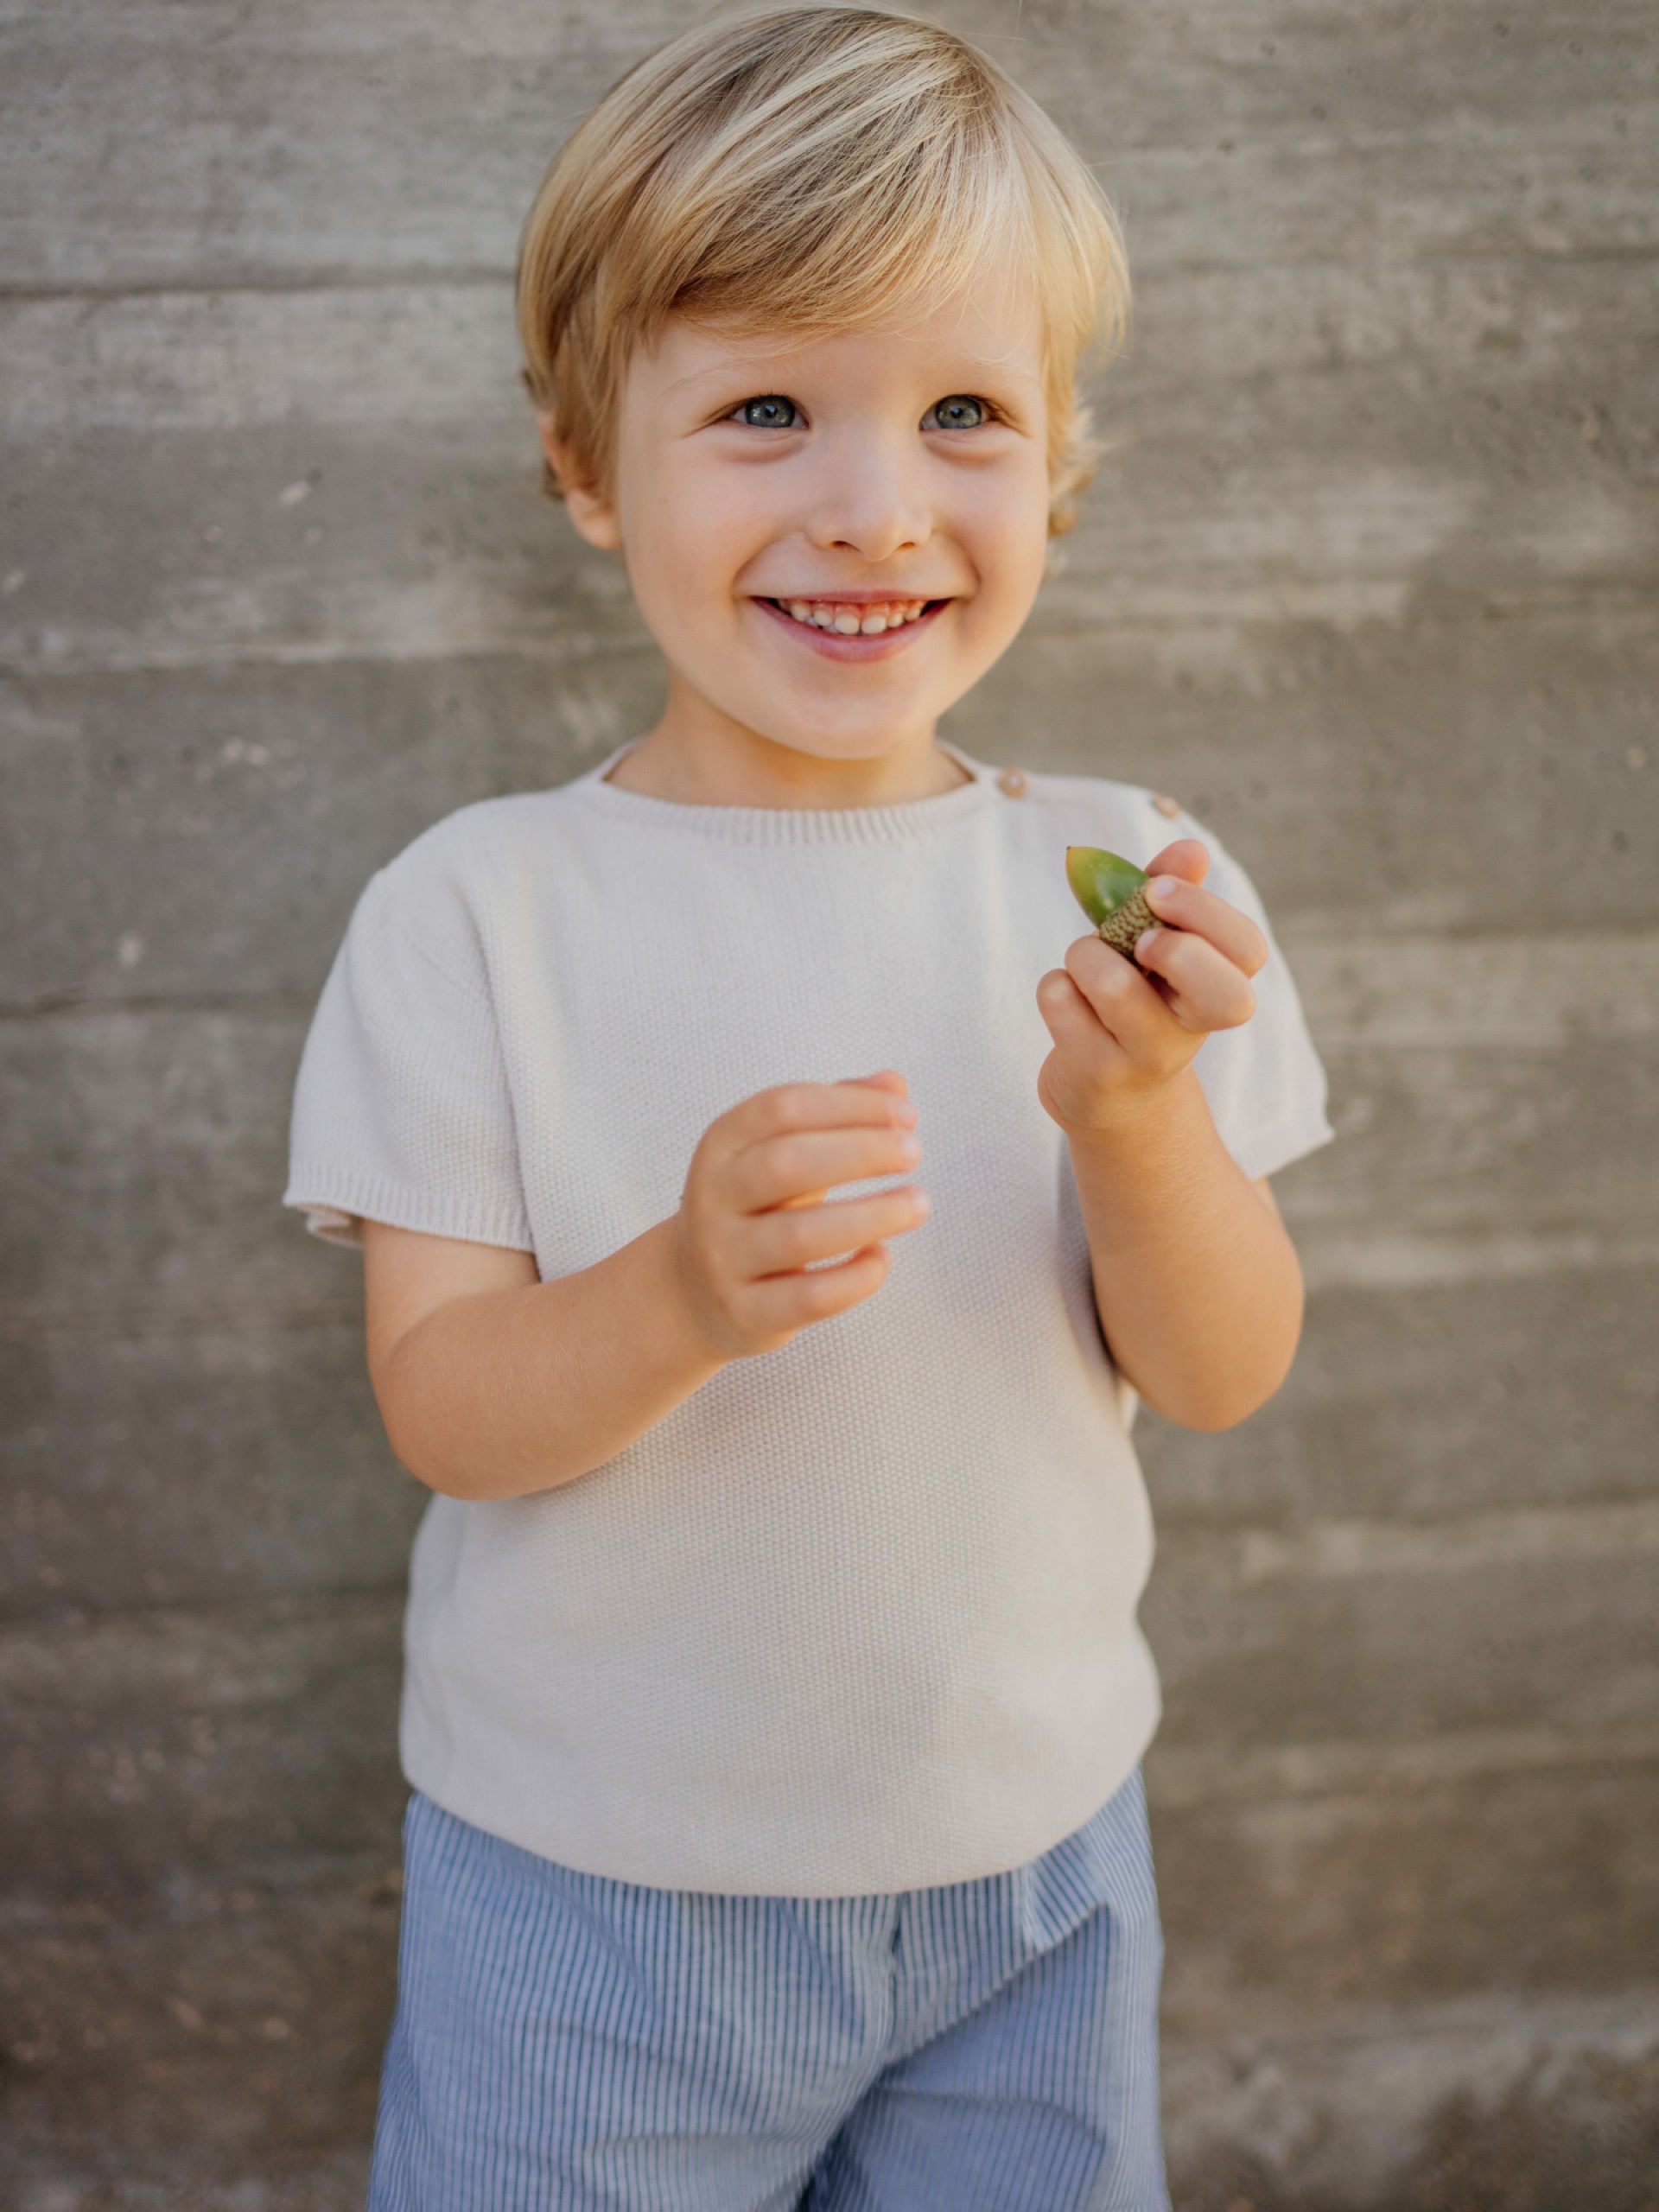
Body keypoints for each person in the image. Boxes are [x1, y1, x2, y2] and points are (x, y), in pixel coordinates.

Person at [284, 9, 1332, 2206]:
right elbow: (448, 1408)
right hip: (590, 1900)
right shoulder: (480, 911)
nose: (874, 505)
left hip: (1034, 1878)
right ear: (587, 464)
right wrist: (675, 1288)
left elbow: (1223, 1370)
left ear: (1057, 464)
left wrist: (1140, 1124)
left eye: (963, 410)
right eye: (765, 407)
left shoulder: (1129, 874)